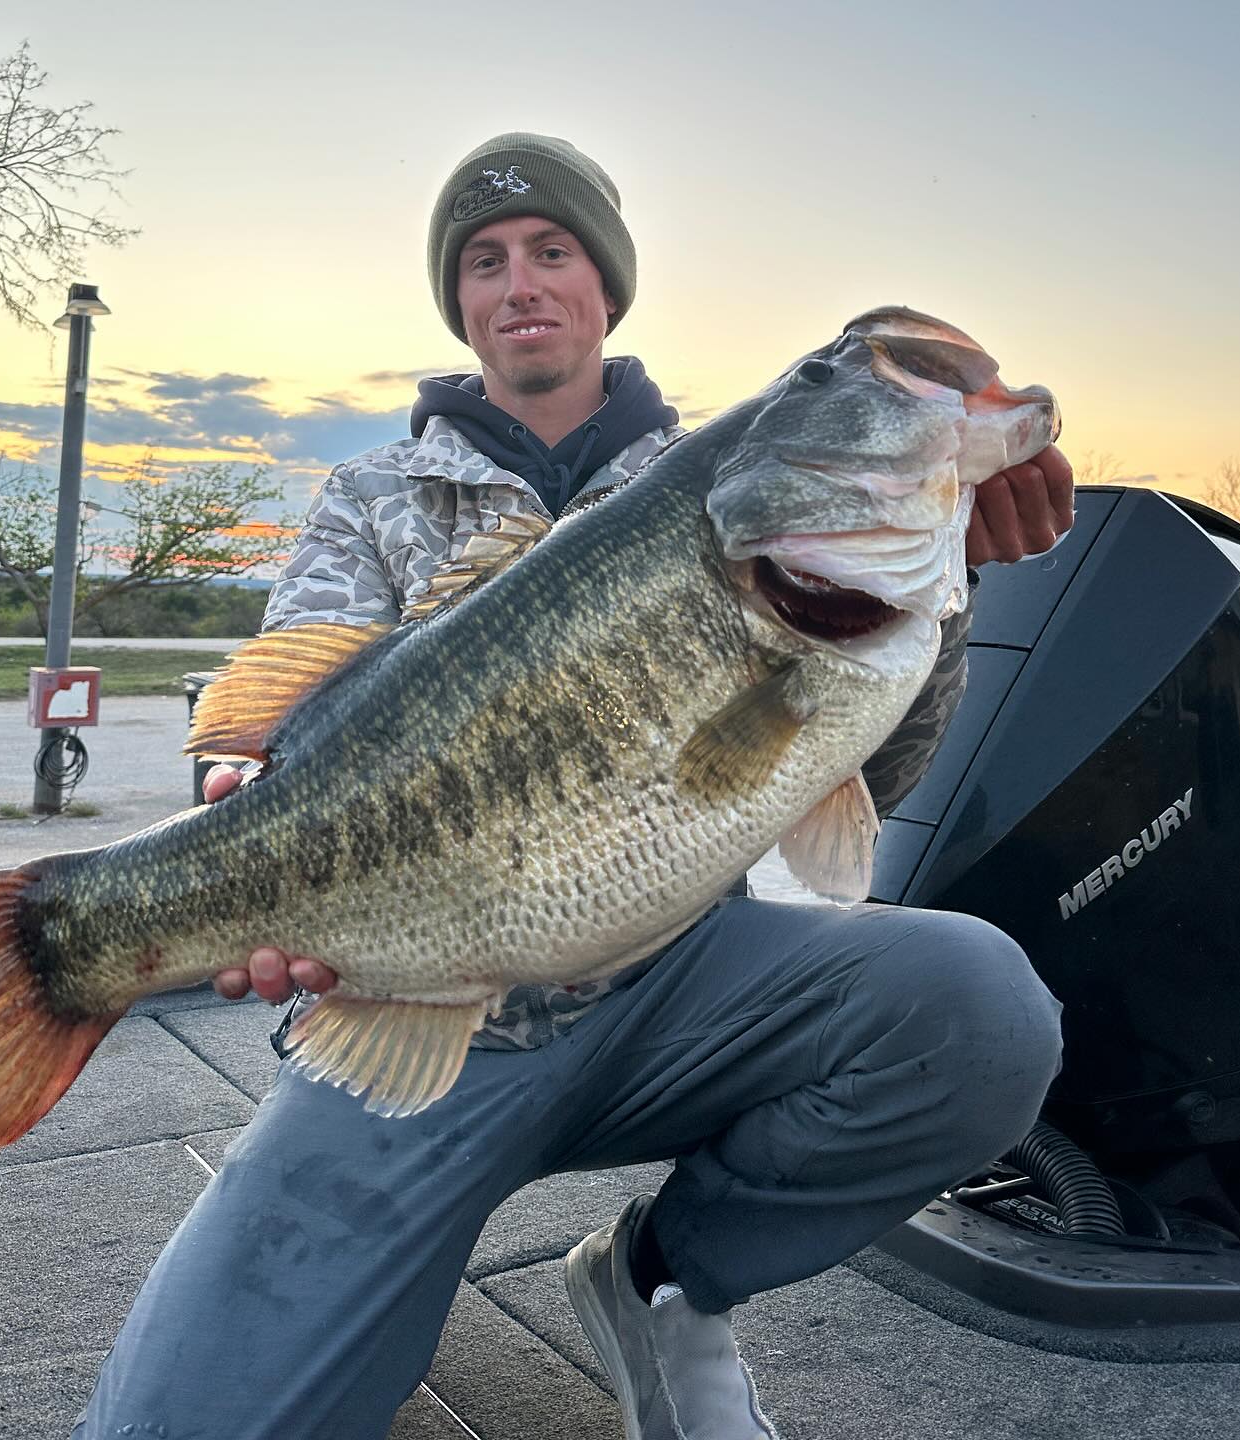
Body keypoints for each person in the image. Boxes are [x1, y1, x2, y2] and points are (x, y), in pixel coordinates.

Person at [76, 133, 1072, 1440]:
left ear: (608, 286)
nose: (520, 280)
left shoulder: (726, 480)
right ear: (461, 303)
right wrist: (234, 813)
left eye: (553, 250)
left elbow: (871, 772)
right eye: (484, 261)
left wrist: (945, 592)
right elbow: (279, 719)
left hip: (675, 985)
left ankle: (666, 1280)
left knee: (976, 1004)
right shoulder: (369, 499)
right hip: (410, 1022)